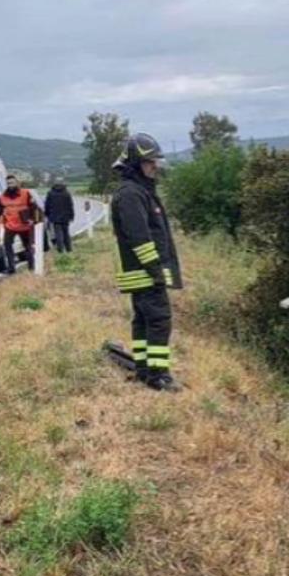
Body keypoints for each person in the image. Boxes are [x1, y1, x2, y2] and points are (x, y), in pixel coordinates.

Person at [110, 133, 183, 392]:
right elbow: (140, 238)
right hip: (146, 272)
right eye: (149, 162)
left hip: (141, 273)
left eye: (156, 161)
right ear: (135, 164)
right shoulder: (132, 194)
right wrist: (156, 271)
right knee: (159, 319)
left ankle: (143, 369)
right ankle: (158, 375)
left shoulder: (138, 191)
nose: (155, 166)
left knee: (143, 320)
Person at [0, 174, 40, 273]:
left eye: (12, 182)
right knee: (7, 246)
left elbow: (34, 207)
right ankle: (11, 268)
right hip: (10, 226)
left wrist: (34, 220)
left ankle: (32, 267)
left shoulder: (26, 193)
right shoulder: (3, 196)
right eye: (8, 183)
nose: (10, 185)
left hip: (24, 225)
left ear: (17, 183)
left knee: (28, 247)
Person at [45, 177, 76, 254]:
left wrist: (48, 214)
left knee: (58, 233)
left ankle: (60, 250)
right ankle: (69, 249)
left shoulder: (50, 193)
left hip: (55, 217)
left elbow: (47, 205)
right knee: (66, 233)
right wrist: (71, 216)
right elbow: (70, 205)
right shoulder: (66, 193)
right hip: (65, 217)